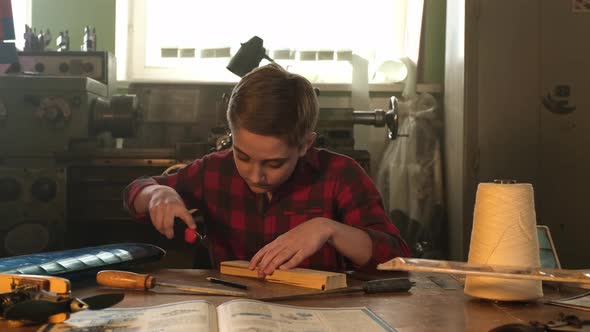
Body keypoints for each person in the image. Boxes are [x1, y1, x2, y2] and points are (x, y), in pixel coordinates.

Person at [123, 64, 409, 276]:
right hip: (232, 311)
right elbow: (135, 193)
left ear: (305, 145)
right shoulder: (215, 171)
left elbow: (395, 258)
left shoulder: (340, 175)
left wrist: (329, 229)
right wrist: (156, 193)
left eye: (274, 163)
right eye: (243, 156)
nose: (255, 175)